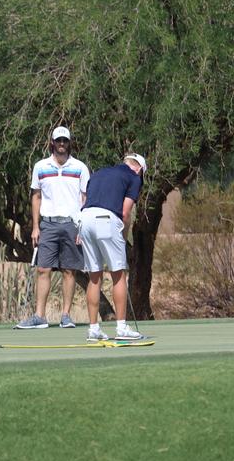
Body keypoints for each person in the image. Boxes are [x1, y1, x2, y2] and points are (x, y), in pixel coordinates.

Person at [15, 126, 90, 329]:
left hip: (72, 224)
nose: (62, 144)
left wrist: (83, 227)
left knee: (69, 270)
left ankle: (66, 316)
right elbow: (36, 196)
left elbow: (85, 198)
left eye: (65, 141)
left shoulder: (80, 167)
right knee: (43, 269)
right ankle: (40, 316)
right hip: (48, 223)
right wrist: (35, 227)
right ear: (52, 143)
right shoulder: (41, 167)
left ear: (69, 143)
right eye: (58, 141)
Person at [77, 153, 147, 340]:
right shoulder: (134, 177)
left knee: (94, 276)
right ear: (139, 169)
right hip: (106, 220)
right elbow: (125, 212)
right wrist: (123, 236)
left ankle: (93, 329)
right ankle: (122, 328)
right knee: (118, 274)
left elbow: (86, 201)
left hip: (84, 219)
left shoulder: (99, 173)